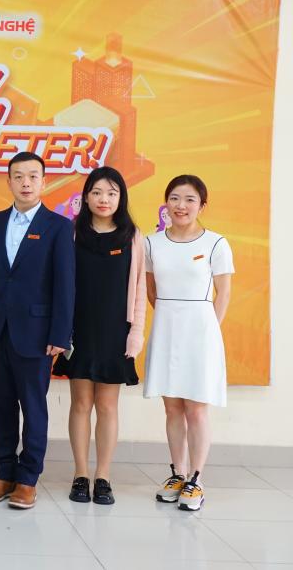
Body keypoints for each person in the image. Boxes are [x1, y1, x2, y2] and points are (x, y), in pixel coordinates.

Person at [0, 151, 75, 510]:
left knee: (33, 408)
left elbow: (65, 284)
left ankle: (28, 478)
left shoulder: (59, 226)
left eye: (33, 176)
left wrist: (60, 335)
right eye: (18, 176)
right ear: (8, 181)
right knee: (0, 405)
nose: (25, 183)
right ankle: (4, 473)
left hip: (37, 333)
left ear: (44, 181)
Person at [52, 166, 146, 506]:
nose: (103, 199)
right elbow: (59, 284)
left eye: (111, 193)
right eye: (96, 192)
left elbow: (139, 290)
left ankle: (103, 476)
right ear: (86, 197)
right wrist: (60, 331)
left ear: (121, 198)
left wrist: (136, 334)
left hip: (114, 332)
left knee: (107, 406)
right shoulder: (71, 233)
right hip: (78, 331)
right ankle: (80, 474)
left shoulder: (132, 236)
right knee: (80, 403)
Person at [144, 174, 233, 512]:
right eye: (175, 198)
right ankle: (177, 474)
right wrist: (171, 318)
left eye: (190, 199)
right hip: (166, 329)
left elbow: (223, 292)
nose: (181, 206)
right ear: (166, 203)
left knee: (196, 409)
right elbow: (151, 290)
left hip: (201, 332)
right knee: (172, 407)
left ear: (202, 206)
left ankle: (196, 479)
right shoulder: (152, 243)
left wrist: (208, 329)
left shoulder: (215, 243)